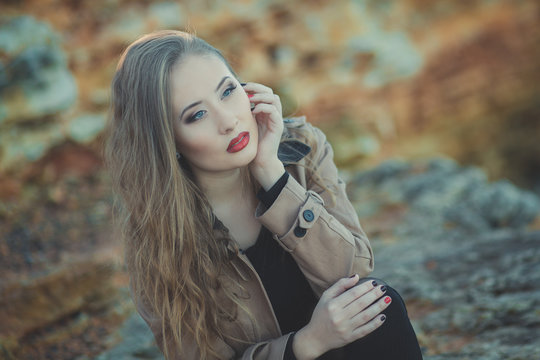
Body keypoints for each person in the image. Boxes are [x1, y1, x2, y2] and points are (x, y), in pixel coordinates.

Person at [105, 30, 423, 360]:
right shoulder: (157, 239)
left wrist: (273, 175)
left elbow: (353, 271)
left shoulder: (302, 148)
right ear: (167, 142)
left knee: (379, 306)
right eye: (197, 115)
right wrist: (308, 343)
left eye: (227, 91)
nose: (228, 121)